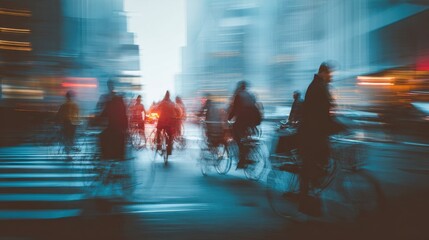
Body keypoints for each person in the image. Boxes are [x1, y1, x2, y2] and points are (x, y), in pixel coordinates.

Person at [298, 61, 345, 216]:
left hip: (315, 132)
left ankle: (310, 193)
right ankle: (304, 201)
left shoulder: (319, 86)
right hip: (312, 134)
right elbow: (321, 114)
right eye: (330, 74)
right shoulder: (318, 88)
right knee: (310, 165)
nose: (331, 77)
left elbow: (325, 113)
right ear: (323, 72)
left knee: (318, 163)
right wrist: (338, 127)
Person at [228, 80, 262, 168]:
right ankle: (248, 150)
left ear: (239, 87)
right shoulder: (251, 94)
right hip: (254, 117)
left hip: (244, 117)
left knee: (236, 133)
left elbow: (234, 110)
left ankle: (242, 157)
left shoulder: (238, 95)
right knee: (247, 136)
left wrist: (228, 119)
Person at [97, 79, 128, 160]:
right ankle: (119, 156)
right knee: (119, 141)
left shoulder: (108, 101)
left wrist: (96, 120)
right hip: (118, 128)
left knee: (102, 137)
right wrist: (126, 127)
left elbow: (103, 114)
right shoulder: (119, 100)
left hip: (112, 127)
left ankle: (105, 156)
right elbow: (124, 114)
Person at [155, 91, 179, 156]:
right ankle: (169, 150)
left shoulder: (162, 102)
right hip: (170, 122)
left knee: (158, 131)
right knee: (170, 136)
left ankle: (158, 145)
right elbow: (178, 111)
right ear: (169, 96)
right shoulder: (172, 103)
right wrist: (177, 116)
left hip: (162, 122)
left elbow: (156, 108)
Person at [56, 90, 80, 156]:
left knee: (66, 137)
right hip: (73, 124)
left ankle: (67, 151)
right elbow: (77, 115)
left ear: (66, 97)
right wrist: (78, 121)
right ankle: (70, 147)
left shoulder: (63, 105)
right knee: (71, 137)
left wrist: (58, 122)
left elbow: (59, 115)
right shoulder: (75, 105)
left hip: (65, 123)